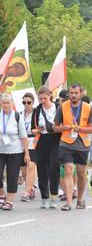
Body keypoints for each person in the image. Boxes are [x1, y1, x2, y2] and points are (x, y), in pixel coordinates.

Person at [0, 93, 30, 210]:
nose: (6, 105)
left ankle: (9, 201)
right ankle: (1, 194)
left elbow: (23, 137)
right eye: (4, 103)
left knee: (13, 176)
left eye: (8, 103)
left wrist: (26, 153)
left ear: (12, 104)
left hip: (15, 151)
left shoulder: (17, 117)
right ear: (0, 104)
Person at [54, 83, 92, 211]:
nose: (73, 95)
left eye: (76, 93)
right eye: (71, 93)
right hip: (66, 142)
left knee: (81, 173)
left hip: (82, 143)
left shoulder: (88, 107)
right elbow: (55, 127)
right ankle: (69, 202)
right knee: (69, 169)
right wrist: (62, 128)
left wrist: (80, 128)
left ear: (81, 94)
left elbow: (91, 128)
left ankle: (80, 199)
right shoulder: (62, 107)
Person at [32, 85, 61, 209]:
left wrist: (55, 128)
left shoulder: (58, 108)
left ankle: (54, 195)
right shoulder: (37, 110)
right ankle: (44, 197)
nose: (43, 101)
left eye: (44, 98)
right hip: (42, 140)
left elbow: (62, 124)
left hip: (56, 140)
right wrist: (37, 130)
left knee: (53, 168)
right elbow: (32, 129)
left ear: (49, 96)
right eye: (40, 99)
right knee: (42, 169)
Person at [20, 92, 38, 202]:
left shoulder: (36, 113)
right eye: (24, 102)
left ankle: (27, 192)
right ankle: (31, 187)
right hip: (22, 142)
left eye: (28, 102)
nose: (26, 104)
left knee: (31, 165)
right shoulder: (20, 114)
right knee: (24, 170)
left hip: (34, 141)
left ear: (33, 102)